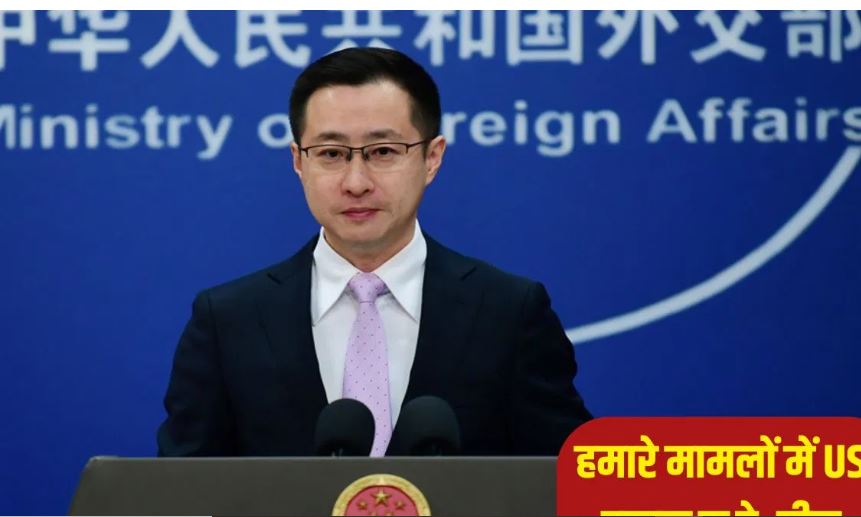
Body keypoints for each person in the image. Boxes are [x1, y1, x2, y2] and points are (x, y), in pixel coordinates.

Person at [157, 47, 591, 457]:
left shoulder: (509, 312)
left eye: (383, 151)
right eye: (331, 153)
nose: (356, 182)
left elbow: (565, 479)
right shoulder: (228, 320)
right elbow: (181, 489)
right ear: (298, 161)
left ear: (432, 158)